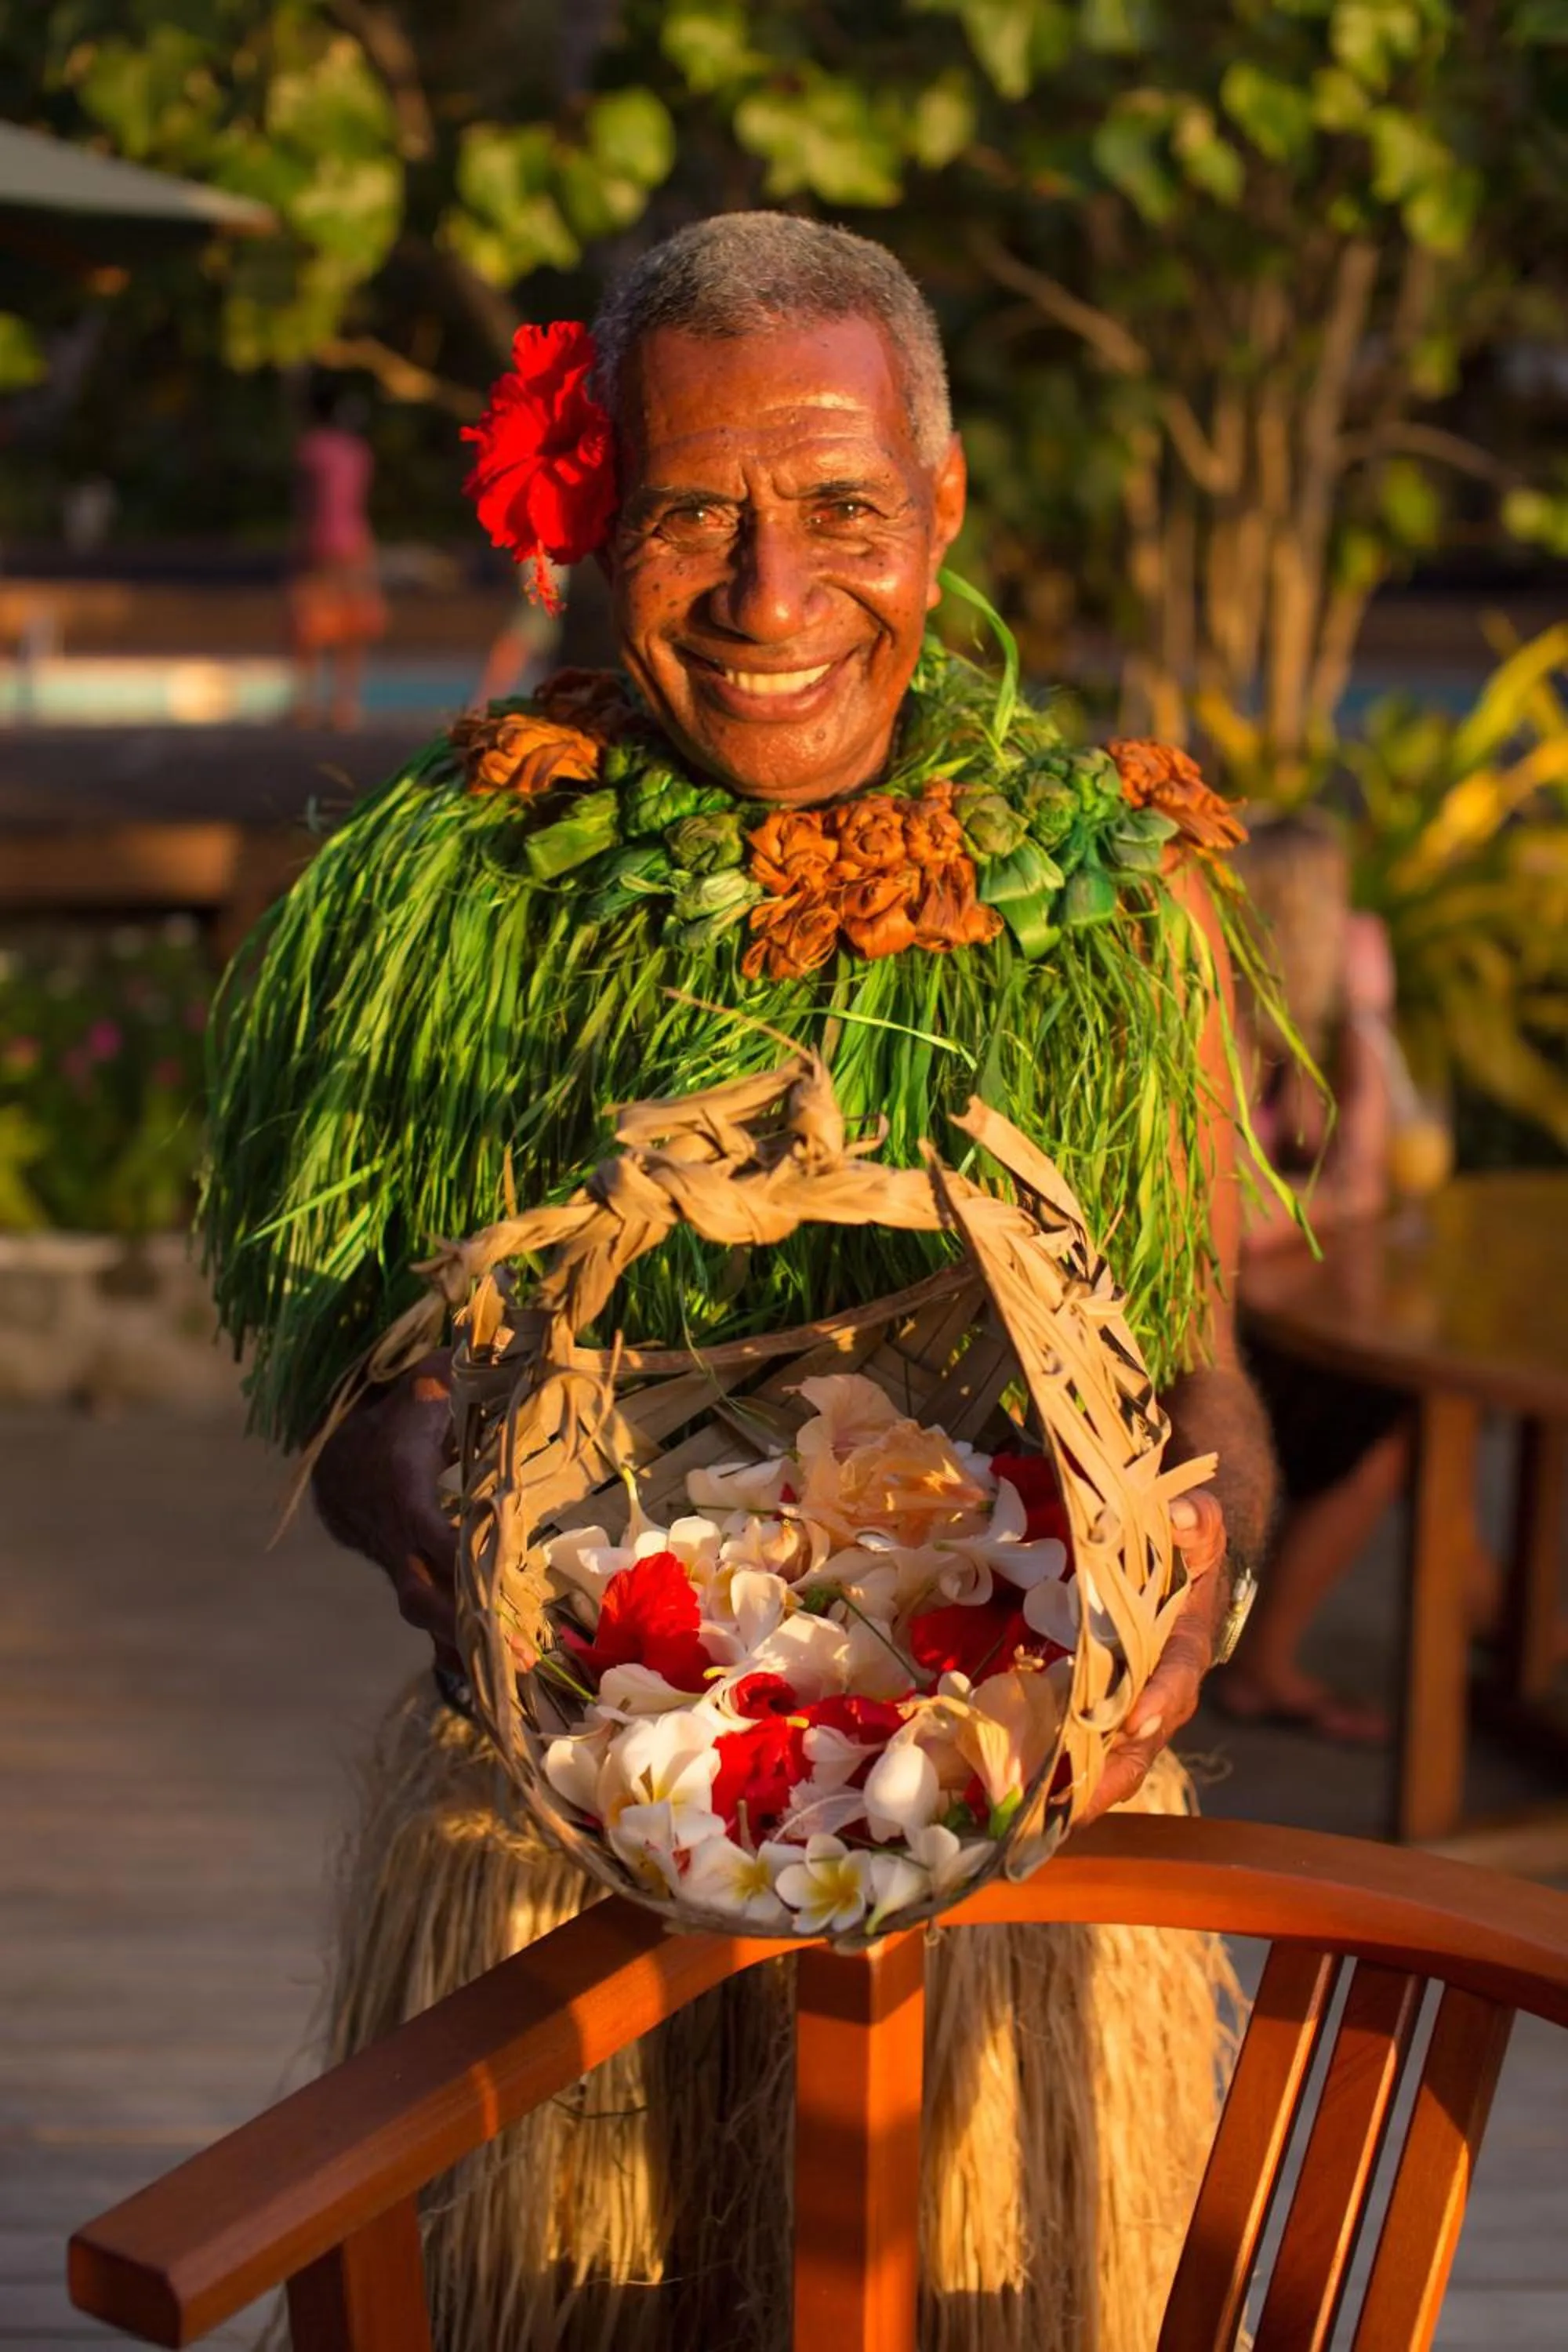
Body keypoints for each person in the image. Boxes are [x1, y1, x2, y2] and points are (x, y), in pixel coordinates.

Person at [203, 216, 1276, 2352]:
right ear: (605, 524)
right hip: (559, 1836)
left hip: (1013, 1851)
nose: (773, 600)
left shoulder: (1102, 896)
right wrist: (421, 1486)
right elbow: (353, 1399)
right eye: (697, 516)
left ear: (943, 505)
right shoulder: (456, 898)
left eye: (842, 510)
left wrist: (1197, 1550)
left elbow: (1206, 1380)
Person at [288, 378, 387, 729]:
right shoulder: (359, 452)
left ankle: (306, 703)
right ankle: (346, 705)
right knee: (352, 626)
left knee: (308, 626)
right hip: (355, 541)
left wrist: (298, 544)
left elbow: (306, 502)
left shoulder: (310, 449)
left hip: (320, 542)